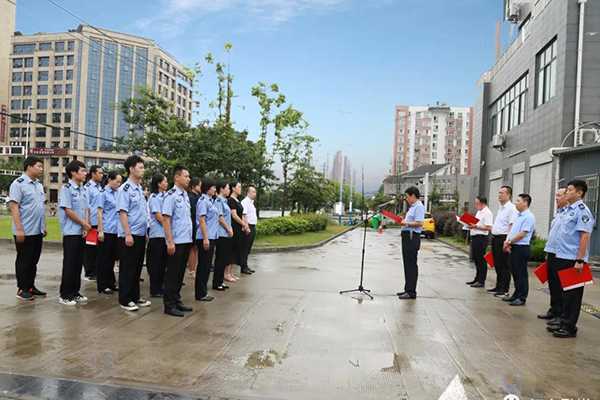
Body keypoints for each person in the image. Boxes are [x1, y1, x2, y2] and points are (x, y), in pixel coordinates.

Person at [546, 180, 595, 338]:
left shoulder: (582, 211)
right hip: (561, 255)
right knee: (563, 293)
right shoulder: (567, 210)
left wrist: (580, 260)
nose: (566, 192)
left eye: (569, 190)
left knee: (572, 295)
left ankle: (569, 326)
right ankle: (563, 321)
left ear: (579, 193)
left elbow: (584, 236)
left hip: (572, 258)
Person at [8, 156, 47, 301]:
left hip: (37, 230)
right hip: (24, 230)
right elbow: (14, 206)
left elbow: (40, 207)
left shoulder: (38, 184)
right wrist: (19, 229)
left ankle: (30, 286)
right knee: (24, 260)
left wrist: (44, 226)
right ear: (29, 167)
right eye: (39, 166)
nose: (41, 169)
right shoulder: (18, 184)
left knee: (33, 260)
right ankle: (22, 288)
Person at [117, 155, 151, 312]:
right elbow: (123, 212)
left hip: (140, 233)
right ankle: (125, 299)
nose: (143, 170)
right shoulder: (125, 189)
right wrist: (128, 233)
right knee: (128, 267)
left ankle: (135, 296)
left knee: (137, 268)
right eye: (140, 167)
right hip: (129, 234)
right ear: (131, 169)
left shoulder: (138, 188)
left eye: (143, 167)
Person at [162, 166, 194, 317]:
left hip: (186, 239)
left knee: (180, 273)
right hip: (176, 241)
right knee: (172, 274)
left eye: (189, 177)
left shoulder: (185, 195)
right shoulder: (171, 195)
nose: (188, 179)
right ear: (177, 178)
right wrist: (169, 242)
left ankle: (177, 300)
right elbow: (166, 219)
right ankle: (169, 305)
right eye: (186, 176)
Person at [58, 160, 90, 306]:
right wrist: (83, 223)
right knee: (70, 263)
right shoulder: (66, 189)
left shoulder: (83, 189)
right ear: (73, 172)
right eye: (82, 171)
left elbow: (86, 209)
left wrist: (86, 226)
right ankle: (65, 294)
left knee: (78, 264)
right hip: (71, 232)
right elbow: (68, 210)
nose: (85, 173)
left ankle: (75, 292)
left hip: (81, 232)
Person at [538, 188, 568, 320]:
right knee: (553, 284)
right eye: (556, 195)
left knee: (561, 286)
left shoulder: (569, 213)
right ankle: (554, 310)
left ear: (567, 197)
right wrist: (547, 251)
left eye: (559, 195)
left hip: (562, 254)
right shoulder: (559, 213)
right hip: (552, 253)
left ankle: (561, 313)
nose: (556, 198)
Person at [502, 193, 535, 306]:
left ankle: (522, 297)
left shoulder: (529, 216)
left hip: (521, 248)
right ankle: (516, 294)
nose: (516, 203)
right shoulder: (519, 215)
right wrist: (508, 242)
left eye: (518, 201)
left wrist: (510, 242)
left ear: (525, 203)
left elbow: (522, 234)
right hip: (514, 247)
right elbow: (513, 231)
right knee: (515, 272)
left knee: (521, 274)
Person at [95, 171, 122, 295]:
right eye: (117, 181)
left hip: (116, 230)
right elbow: (99, 212)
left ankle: (111, 283)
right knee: (104, 259)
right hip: (106, 229)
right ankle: (102, 285)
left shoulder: (118, 193)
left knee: (112, 258)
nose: (119, 184)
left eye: (120, 182)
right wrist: (100, 230)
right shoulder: (103, 193)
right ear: (110, 180)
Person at [397, 186, 425, 300]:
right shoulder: (413, 207)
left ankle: (411, 291)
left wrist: (406, 223)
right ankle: (407, 289)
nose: (406, 199)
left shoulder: (419, 206)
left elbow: (419, 223)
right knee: (407, 264)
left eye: (407, 197)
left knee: (411, 265)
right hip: (407, 236)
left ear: (413, 195)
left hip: (412, 237)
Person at [195, 178, 220, 302]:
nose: (215, 189)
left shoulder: (211, 201)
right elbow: (202, 220)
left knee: (207, 265)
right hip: (205, 237)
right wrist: (205, 238)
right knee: (203, 266)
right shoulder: (203, 201)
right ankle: (200, 293)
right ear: (208, 188)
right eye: (213, 187)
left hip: (211, 236)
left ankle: (203, 291)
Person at [489, 186, 516, 296]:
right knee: (497, 264)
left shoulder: (511, 208)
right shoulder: (501, 208)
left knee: (504, 265)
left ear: (508, 195)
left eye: (502, 193)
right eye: (499, 193)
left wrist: (508, 241)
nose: (499, 195)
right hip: (496, 238)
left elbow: (511, 226)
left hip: (503, 239)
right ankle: (498, 286)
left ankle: (504, 289)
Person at [147, 173, 168, 298]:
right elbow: (158, 216)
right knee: (156, 264)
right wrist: (169, 226)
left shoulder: (166, 196)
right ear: (159, 184)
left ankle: (161, 287)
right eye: (164, 181)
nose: (166, 183)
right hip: (157, 234)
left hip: (165, 235)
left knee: (163, 264)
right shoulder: (154, 197)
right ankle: (155, 289)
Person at [466, 197, 493, 288]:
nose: (475, 205)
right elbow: (476, 223)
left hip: (481, 238)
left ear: (482, 203)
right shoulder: (479, 212)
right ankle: (477, 278)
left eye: (477, 203)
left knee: (481, 259)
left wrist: (476, 226)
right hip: (475, 236)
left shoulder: (487, 213)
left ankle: (481, 280)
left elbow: (489, 227)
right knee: (476, 259)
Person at [83, 165, 104, 281]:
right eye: (99, 173)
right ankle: (89, 272)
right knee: (90, 248)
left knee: (98, 249)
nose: (101, 175)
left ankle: (96, 270)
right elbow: (87, 206)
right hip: (91, 222)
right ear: (93, 174)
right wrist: (88, 223)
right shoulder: (88, 187)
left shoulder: (99, 187)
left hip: (99, 222)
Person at [214, 182, 234, 291]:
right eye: (227, 188)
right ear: (221, 189)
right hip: (221, 233)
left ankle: (221, 281)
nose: (229, 190)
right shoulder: (218, 201)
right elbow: (220, 217)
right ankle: (217, 282)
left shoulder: (225, 201)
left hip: (226, 234)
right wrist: (228, 228)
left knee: (224, 258)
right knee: (220, 259)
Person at [228, 181, 250, 279]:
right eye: (239, 187)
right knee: (231, 250)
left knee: (236, 250)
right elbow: (234, 215)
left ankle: (231, 273)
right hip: (234, 227)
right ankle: (226, 273)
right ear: (233, 188)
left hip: (239, 228)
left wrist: (243, 224)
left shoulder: (237, 200)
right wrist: (243, 224)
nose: (240, 189)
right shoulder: (231, 200)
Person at [240, 185, 257, 274]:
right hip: (248, 226)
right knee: (245, 248)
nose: (255, 193)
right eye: (253, 192)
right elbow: (244, 215)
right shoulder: (245, 202)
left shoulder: (251, 202)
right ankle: (243, 267)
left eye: (255, 192)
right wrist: (246, 227)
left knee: (248, 248)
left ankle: (245, 265)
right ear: (248, 193)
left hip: (252, 226)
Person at [187, 177, 201, 277]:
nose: (201, 187)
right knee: (193, 247)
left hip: (197, 224)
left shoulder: (198, 196)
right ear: (193, 186)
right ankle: (192, 269)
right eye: (199, 185)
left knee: (196, 247)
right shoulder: (191, 197)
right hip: (192, 224)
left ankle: (194, 268)